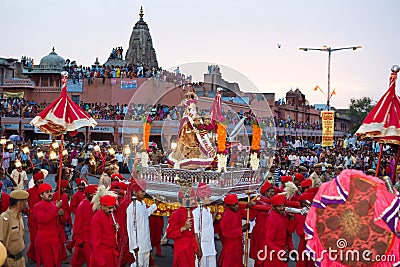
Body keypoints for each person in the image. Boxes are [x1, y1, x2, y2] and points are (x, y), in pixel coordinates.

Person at [32, 183, 66, 267]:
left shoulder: (54, 204)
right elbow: (44, 220)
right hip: (44, 240)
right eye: (47, 192)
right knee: (48, 263)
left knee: (57, 262)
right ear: (41, 195)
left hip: (55, 239)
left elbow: (63, 220)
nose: (50, 194)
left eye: (50, 191)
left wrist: (62, 214)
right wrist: (56, 208)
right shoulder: (37, 207)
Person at [127, 179, 157, 267]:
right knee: (138, 264)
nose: (144, 193)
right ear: (135, 192)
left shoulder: (143, 203)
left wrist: (155, 205)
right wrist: (134, 245)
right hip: (138, 244)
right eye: (142, 191)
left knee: (145, 264)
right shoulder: (132, 208)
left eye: (144, 191)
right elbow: (130, 228)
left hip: (146, 242)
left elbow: (146, 214)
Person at [260, 194, 294, 267]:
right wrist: (280, 252)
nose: (282, 208)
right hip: (273, 254)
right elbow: (268, 240)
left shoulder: (284, 215)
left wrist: (291, 219)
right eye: (279, 206)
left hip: (281, 250)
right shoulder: (272, 219)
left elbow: (289, 231)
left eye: (283, 205)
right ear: (273, 207)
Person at [166, 190, 198, 267]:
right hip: (182, 248)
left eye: (192, 199)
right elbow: (169, 233)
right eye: (189, 199)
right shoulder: (176, 214)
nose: (192, 201)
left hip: (192, 247)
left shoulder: (194, 212)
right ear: (183, 200)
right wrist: (183, 228)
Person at [217, 193, 250, 267]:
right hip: (230, 246)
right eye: (234, 205)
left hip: (238, 244)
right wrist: (241, 229)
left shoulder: (237, 209)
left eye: (237, 204)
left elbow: (247, 212)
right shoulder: (225, 216)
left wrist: (248, 205)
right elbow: (226, 233)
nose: (236, 206)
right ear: (228, 206)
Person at [70, 184, 97, 267]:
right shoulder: (82, 205)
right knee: (88, 260)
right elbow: (77, 224)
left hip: (91, 237)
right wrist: (79, 239)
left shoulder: (95, 204)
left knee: (79, 259)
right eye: (94, 194)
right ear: (88, 194)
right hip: (84, 238)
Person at [0, 190, 29, 267]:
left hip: (20, 260)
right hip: (9, 262)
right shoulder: (5, 218)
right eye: (25, 202)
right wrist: (4, 262)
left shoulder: (19, 216)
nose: (27, 204)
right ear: (19, 203)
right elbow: (0, 243)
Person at [192, 183, 217, 267]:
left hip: (211, 246)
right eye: (208, 197)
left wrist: (215, 214)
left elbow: (208, 225)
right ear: (201, 198)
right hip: (203, 248)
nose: (210, 198)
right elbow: (196, 232)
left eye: (210, 196)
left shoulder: (208, 210)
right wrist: (199, 249)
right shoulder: (196, 212)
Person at [90, 194, 118, 267]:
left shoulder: (110, 215)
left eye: (113, 208)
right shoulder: (97, 218)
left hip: (111, 253)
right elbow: (95, 242)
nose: (111, 210)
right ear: (102, 206)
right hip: (102, 254)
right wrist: (100, 260)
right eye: (109, 208)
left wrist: (116, 228)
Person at [26, 171, 45, 264]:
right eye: (39, 182)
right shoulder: (29, 192)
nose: (41, 184)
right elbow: (20, 202)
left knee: (42, 239)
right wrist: (27, 211)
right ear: (35, 182)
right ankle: (30, 255)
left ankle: (39, 256)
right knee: (34, 239)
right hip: (33, 219)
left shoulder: (45, 190)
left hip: (43, 218)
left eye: (42, 181)